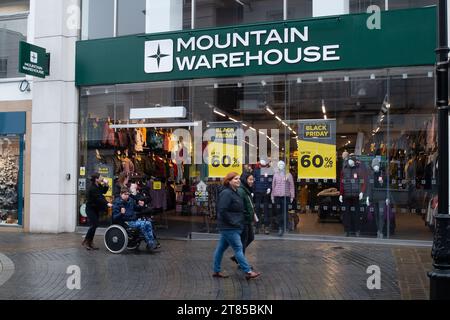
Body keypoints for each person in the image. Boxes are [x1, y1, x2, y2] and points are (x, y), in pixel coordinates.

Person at [212, 172, 261, 280]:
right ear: (229, 181)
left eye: (238, 178)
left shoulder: (236, 192)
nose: (238, 180)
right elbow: (222, 210)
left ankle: (216, 270)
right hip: (229, 227)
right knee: (238, 249)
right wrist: (233, 222)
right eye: (235, 179)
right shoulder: (226, 193)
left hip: (231, 226)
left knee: (220, 249)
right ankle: (248, 271)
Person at [230, 172, 256, 265]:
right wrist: (244, 215)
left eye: (252, 179)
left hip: (247, 219)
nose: (252, 181)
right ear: (245, 179)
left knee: (250, 237)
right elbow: (239, 205)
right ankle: (242, 262)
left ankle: (237, 257)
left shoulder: (246, 189)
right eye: (250, 179)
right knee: (243, 241)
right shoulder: (241, 190)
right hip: (243, 219)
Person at [83, 173, 112, 250]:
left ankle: (90, 242)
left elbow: (103, 192)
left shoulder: (98, 185)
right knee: (94, 224)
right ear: (96, 179)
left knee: (95, 225)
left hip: (95, 208)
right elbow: (99, 198)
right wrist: (107, 203)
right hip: (90, 209)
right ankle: (86, 241)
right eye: (100, 177)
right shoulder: (92, 188)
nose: (102, 178)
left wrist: (106, 184)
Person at [271, 160, 295, 236]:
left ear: (284, 165)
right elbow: (273, 186)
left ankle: (285, 226)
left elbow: (291, 186)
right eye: (279, 164)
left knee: (284, 212)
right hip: (277, 196)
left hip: (285, 196)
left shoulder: (288, 175)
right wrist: (272, 196)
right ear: (277, 166)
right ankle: (280, 227)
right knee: (278, 212)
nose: (281, 166)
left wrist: (292, 196)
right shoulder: (275, 175)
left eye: (282, 164)